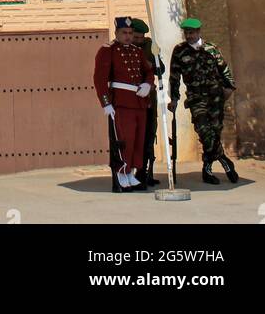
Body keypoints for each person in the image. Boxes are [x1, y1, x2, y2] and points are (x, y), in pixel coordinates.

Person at [168, 17, 238, 185]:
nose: (189, 35)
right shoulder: (179, 51)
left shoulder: (212, 49)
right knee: (204, 132)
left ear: (199, 32)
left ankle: (207, 170)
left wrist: (228, 89)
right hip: (196, 98)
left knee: (215, 132)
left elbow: (224, 70)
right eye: (186, 33)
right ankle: (224, 160)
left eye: (191, 32)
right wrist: (174, 99)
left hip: (215, 98)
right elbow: (174, 77)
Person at [94, 16, 154, 192]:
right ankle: (121, 172)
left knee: (138, 140)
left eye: (130, 33)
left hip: (139, 102)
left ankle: (131, 172)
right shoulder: (108, 51)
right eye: (124, 33)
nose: (128, 36)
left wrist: (147, 84)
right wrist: (106, 103)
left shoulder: (137, 51)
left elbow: (148, 71)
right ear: (117, 33)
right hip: (121, 102)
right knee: (124, 140)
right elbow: (99, 78)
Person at [129, 18, 162, 187]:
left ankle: (146, 173)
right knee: (134, 137)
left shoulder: (150, 47)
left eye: (142, 37)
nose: (139, 41)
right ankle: (133, 173)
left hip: (149, 98)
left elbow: (160, 69)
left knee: (149, 135)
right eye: (136, 37)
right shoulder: (124, 48)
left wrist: (151, 64)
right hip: (130, 99)